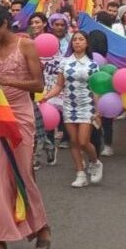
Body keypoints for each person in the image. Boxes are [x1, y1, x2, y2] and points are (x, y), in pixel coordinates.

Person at [0, 5, 50, 249]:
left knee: (22, 174)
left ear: (6, 24)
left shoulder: (26, 45)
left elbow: (39, 84)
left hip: (20, 114)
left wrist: (8, 82)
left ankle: (41, 226)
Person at [41, 31, 103, 187]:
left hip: (87, 105)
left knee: (83, 141)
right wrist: (47, 97)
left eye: (81, 39)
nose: (77, 42)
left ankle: (95, 162)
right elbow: (59, 85)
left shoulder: (93, 65)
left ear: (87, 43)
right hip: (69, 105)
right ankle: (80, 173)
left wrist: (97, 110)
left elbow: (96, 89)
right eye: (74, 40)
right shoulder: (64, 62)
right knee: (74, 142)